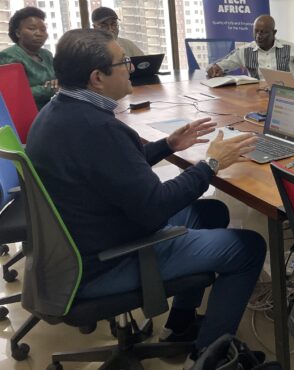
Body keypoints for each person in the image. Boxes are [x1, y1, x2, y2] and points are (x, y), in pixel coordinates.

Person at [25, 28, 266, 365]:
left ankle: (179, 326)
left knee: (211, 212)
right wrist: (211, 164)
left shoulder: (59, 112)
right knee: (249, 248)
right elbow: (156, 207)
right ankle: (210, 358)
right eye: (123, 62)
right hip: (106, 260)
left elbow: (112, 169)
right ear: (97, 78)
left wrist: (168, 145)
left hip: (81, 244)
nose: (131, 67)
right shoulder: (98, 128)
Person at [207, 15, 294, 90]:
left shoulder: (290, 48)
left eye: (263, 32)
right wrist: (214, 69)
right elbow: (218, 66)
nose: (258, 36)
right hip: (257, 99)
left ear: (274, 32)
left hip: (289, 99)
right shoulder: (245, 51)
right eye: (256, 31)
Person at [0, 6, 57, 109]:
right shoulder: (8, 56)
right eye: (32, 29)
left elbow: (58, 81)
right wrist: (49, 88)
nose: (39, 33)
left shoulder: (47, 55)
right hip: (24, 112)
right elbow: (14, 94)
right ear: (18, 33)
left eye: (43, 29)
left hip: (49, 110)